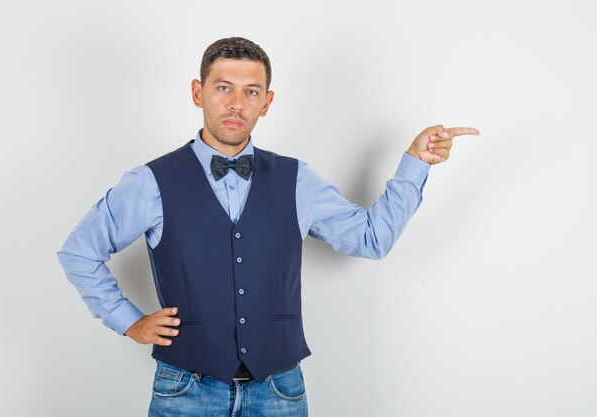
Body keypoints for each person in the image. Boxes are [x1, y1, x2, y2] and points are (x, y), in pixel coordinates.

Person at [57, 36, 480, 417]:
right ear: (197, 92)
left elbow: (372, 239)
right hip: (186, 390)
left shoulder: (298, 180)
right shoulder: (150, 182)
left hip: (279, 392)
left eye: (251, 91)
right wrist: (128, 321)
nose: (236, 104)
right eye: (223, 87)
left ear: (267, 101)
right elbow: (79, 251)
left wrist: (415, 164)